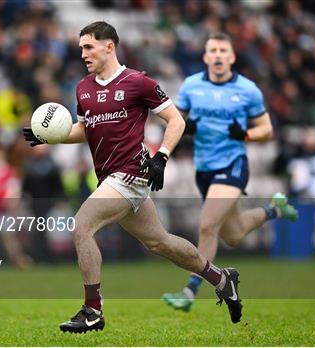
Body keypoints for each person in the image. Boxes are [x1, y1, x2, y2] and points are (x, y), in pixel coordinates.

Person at [23, 22, 243, 333]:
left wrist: (162, 156)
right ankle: (222, 279)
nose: (83, 53)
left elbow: (176, 121)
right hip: (110, 179)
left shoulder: (137, 82)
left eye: (89, 47)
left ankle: (92, 311)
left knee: (82, 225)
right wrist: (50, 136)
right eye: (81, 48)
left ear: (109, 46)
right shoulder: (83, 87)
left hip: (132, 173)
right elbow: (85, 129)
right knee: (160, 243)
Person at [162, 32, 299, 312]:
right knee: (233, 234)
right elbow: (177, 120)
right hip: (204, 170)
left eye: (224, 51)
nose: (218, 55)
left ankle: (190, 291)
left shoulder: (248, 89)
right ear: (206, 57)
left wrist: (246, 135)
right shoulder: (191, 86)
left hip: (233, 164)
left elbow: (267, 129)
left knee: (207, 226)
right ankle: (275, 210)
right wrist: (188, 129)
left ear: (232, 57)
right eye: (213, 50)